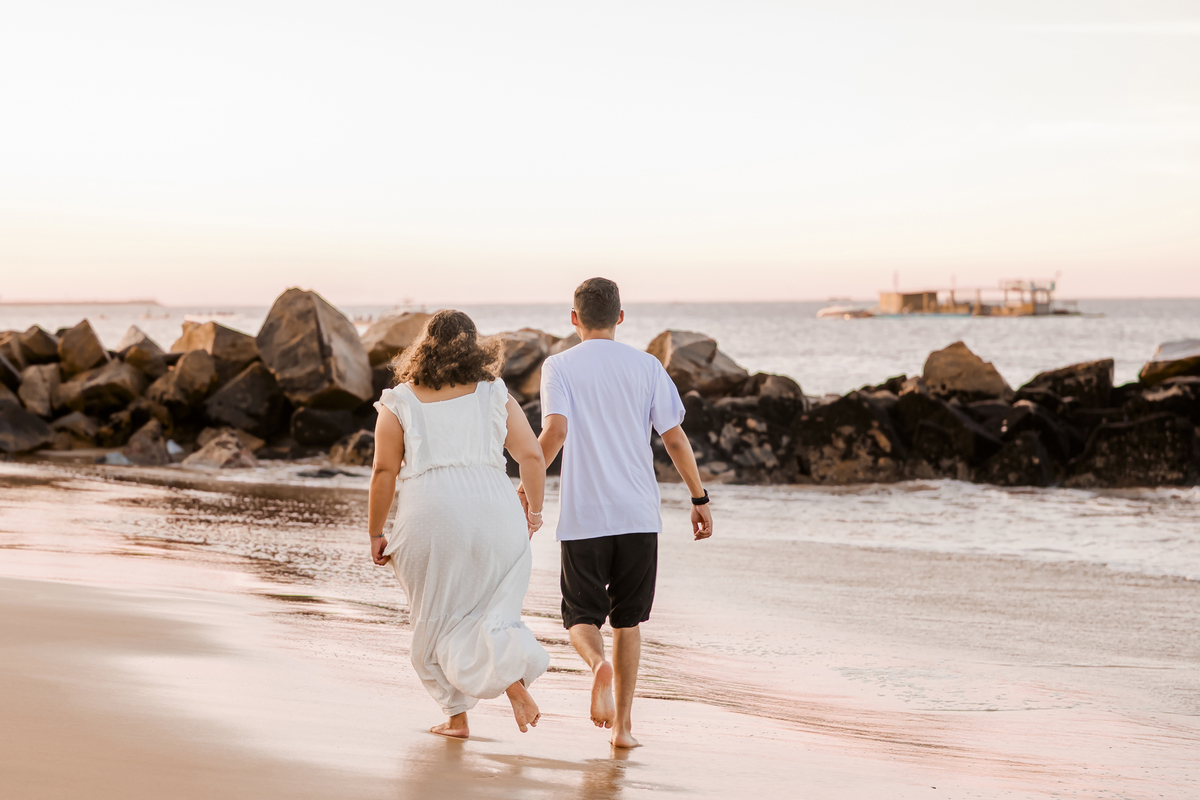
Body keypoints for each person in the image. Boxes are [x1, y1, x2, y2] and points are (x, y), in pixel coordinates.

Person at [519, 278, 714, 749]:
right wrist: (699, 497)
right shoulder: (647, 365)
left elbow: (555, 434)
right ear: (621, 318)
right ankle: (624, 730)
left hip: (587, 515)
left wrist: (527, 493)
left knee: (580, 617)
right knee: (629, 621)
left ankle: (595, 665)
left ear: (574, 318)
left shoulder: (559, 365)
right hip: (639, 515)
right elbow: (673, 439)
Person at [367, 309, 550, 739]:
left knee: (437, 618)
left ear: (422, 348)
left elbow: (383, 473)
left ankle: (457, 717)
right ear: (475, 346)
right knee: (491, 613)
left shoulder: (400, 401)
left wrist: (376, 531)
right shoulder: (494, 394)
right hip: (496, 511)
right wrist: (535, 513)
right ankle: (510, 682)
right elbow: (532, 457)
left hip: (433, 514)